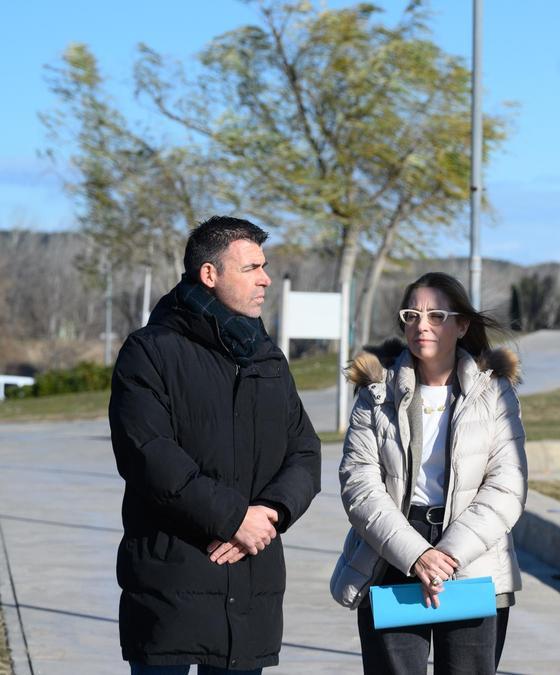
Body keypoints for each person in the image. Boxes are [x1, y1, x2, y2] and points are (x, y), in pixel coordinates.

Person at [109, 216, 323, 674]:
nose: (266, 278)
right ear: (210, 275)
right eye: (251, 268)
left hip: (251, 583)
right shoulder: (149, 351)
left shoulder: (267, 357)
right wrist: (232, 518)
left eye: (264, 266)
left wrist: (268, 515)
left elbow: (304, 450)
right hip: (173, 582)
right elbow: (148, 455)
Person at [330, 272, 527, 674]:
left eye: (437, 315)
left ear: (462, 325)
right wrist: (417, 554)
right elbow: (359, 484)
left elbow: (508, 485)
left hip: (473, 556)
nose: (422, 325)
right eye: (412, 315)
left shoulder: (495, 392)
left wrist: (447, 555)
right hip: (393, 552)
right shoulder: (376, 392)